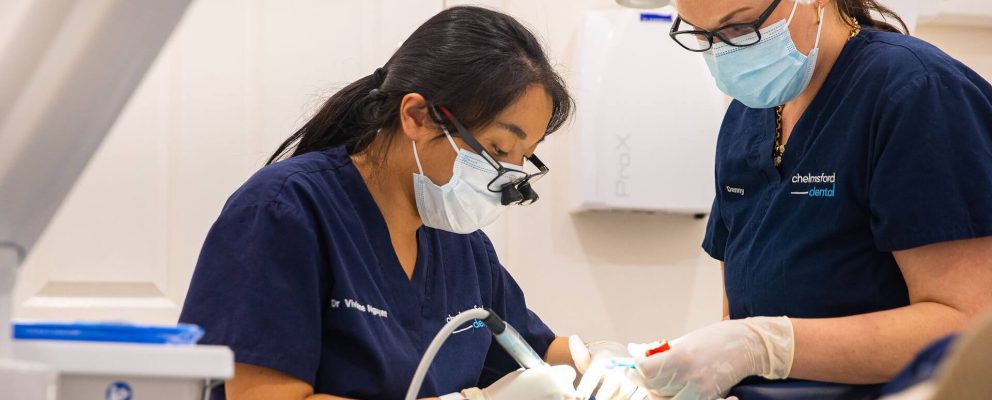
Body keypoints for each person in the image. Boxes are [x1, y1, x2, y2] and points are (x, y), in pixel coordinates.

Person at [178, 6, 628, 400]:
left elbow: (528, 350)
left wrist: (611, 362)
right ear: (416, 116)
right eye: (496, 149)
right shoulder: (284, 211)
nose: (505, 179)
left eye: (521, 159)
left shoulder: (462, 247)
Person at [605, 0, 992, 399]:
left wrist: (765, 345)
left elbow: (969, 326)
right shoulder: (746, 116)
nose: (722, 54)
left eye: (740, 27)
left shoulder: (917, 92)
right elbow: (740, 314)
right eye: (701, 35)